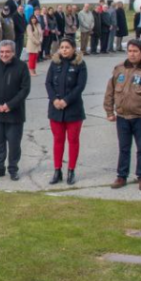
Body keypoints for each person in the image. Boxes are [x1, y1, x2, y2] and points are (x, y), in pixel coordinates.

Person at [104, 39, 141, 191]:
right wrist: (109, 111)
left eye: (135, 51)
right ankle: (121, 176)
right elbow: (110, 91)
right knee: (124, 148)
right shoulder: (119, 69)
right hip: (123, 117)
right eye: (130, 51)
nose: (132, 54)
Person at [0, 40, 30, 181]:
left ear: (13, 52)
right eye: (2, 52)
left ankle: (13, 169)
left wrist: (10, 105)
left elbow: (25, 89)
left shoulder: (21, 67)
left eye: (7, 52)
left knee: (14, 143)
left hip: (15, 114)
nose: (4, 54)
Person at [45, 37, 87, 186]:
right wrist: (54, 100)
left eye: (67, 47)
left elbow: (80, 86)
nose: (64, 50)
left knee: (73, 140)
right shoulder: (54, 63)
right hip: (55, 109)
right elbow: (48, 83)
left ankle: (71, 170)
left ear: (73, 49)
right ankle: (57, 171)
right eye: (62, 47)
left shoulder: (80, 64)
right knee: (58, 140)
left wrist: (66, 101)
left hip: (73, 110)